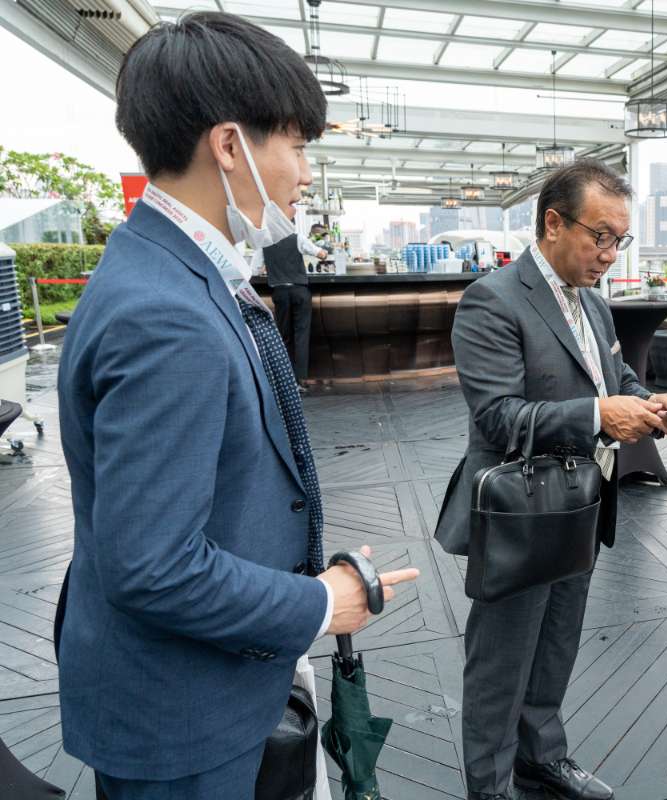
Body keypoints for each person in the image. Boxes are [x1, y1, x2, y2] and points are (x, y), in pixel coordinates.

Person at [55, 13, 418, 799]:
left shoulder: (166, 270)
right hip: (182, 716)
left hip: (190, 689)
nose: (305, 173)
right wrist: (318, 602)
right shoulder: (166, 315)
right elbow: (153, 566)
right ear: (228, 146)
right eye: (297, 145)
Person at [435, 159, 667, 800]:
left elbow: (614, 379)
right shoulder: (493, 299)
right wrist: (599, 416)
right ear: (553, 223)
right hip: (519, 510)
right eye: (600, 236)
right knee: (501, 658)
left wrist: (649, 402)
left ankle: (540, 758)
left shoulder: (593, 304)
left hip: (581, 501)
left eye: (619, 240)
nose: (610, 253)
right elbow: (498, 417)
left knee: (556, 642)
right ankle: (488, 786)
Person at [251, 223, 327, 386]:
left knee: (284, 336)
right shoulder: (297, 238)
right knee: (301, 335)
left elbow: (255, 271)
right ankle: (301, 379)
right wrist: (324, 251)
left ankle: (287, 380)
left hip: (280, 292)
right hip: (300, 291)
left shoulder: (263, 244)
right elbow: (321, 254)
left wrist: (269, 266)